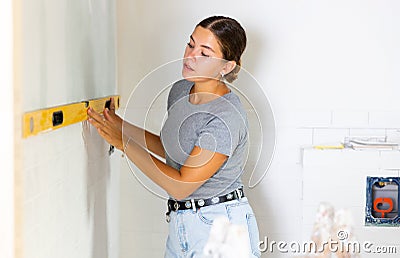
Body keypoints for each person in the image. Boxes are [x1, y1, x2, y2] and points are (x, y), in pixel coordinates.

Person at [88, 15, 261, 258]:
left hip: (221, 228)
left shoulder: (226, 117)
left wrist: (123, 143)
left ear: (226, 66)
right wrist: (122, 126)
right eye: (190, 44)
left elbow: (180, 185)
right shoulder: (180, 90)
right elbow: (174, 151)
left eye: (205, 53)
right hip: (182, 224)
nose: (191, 56)